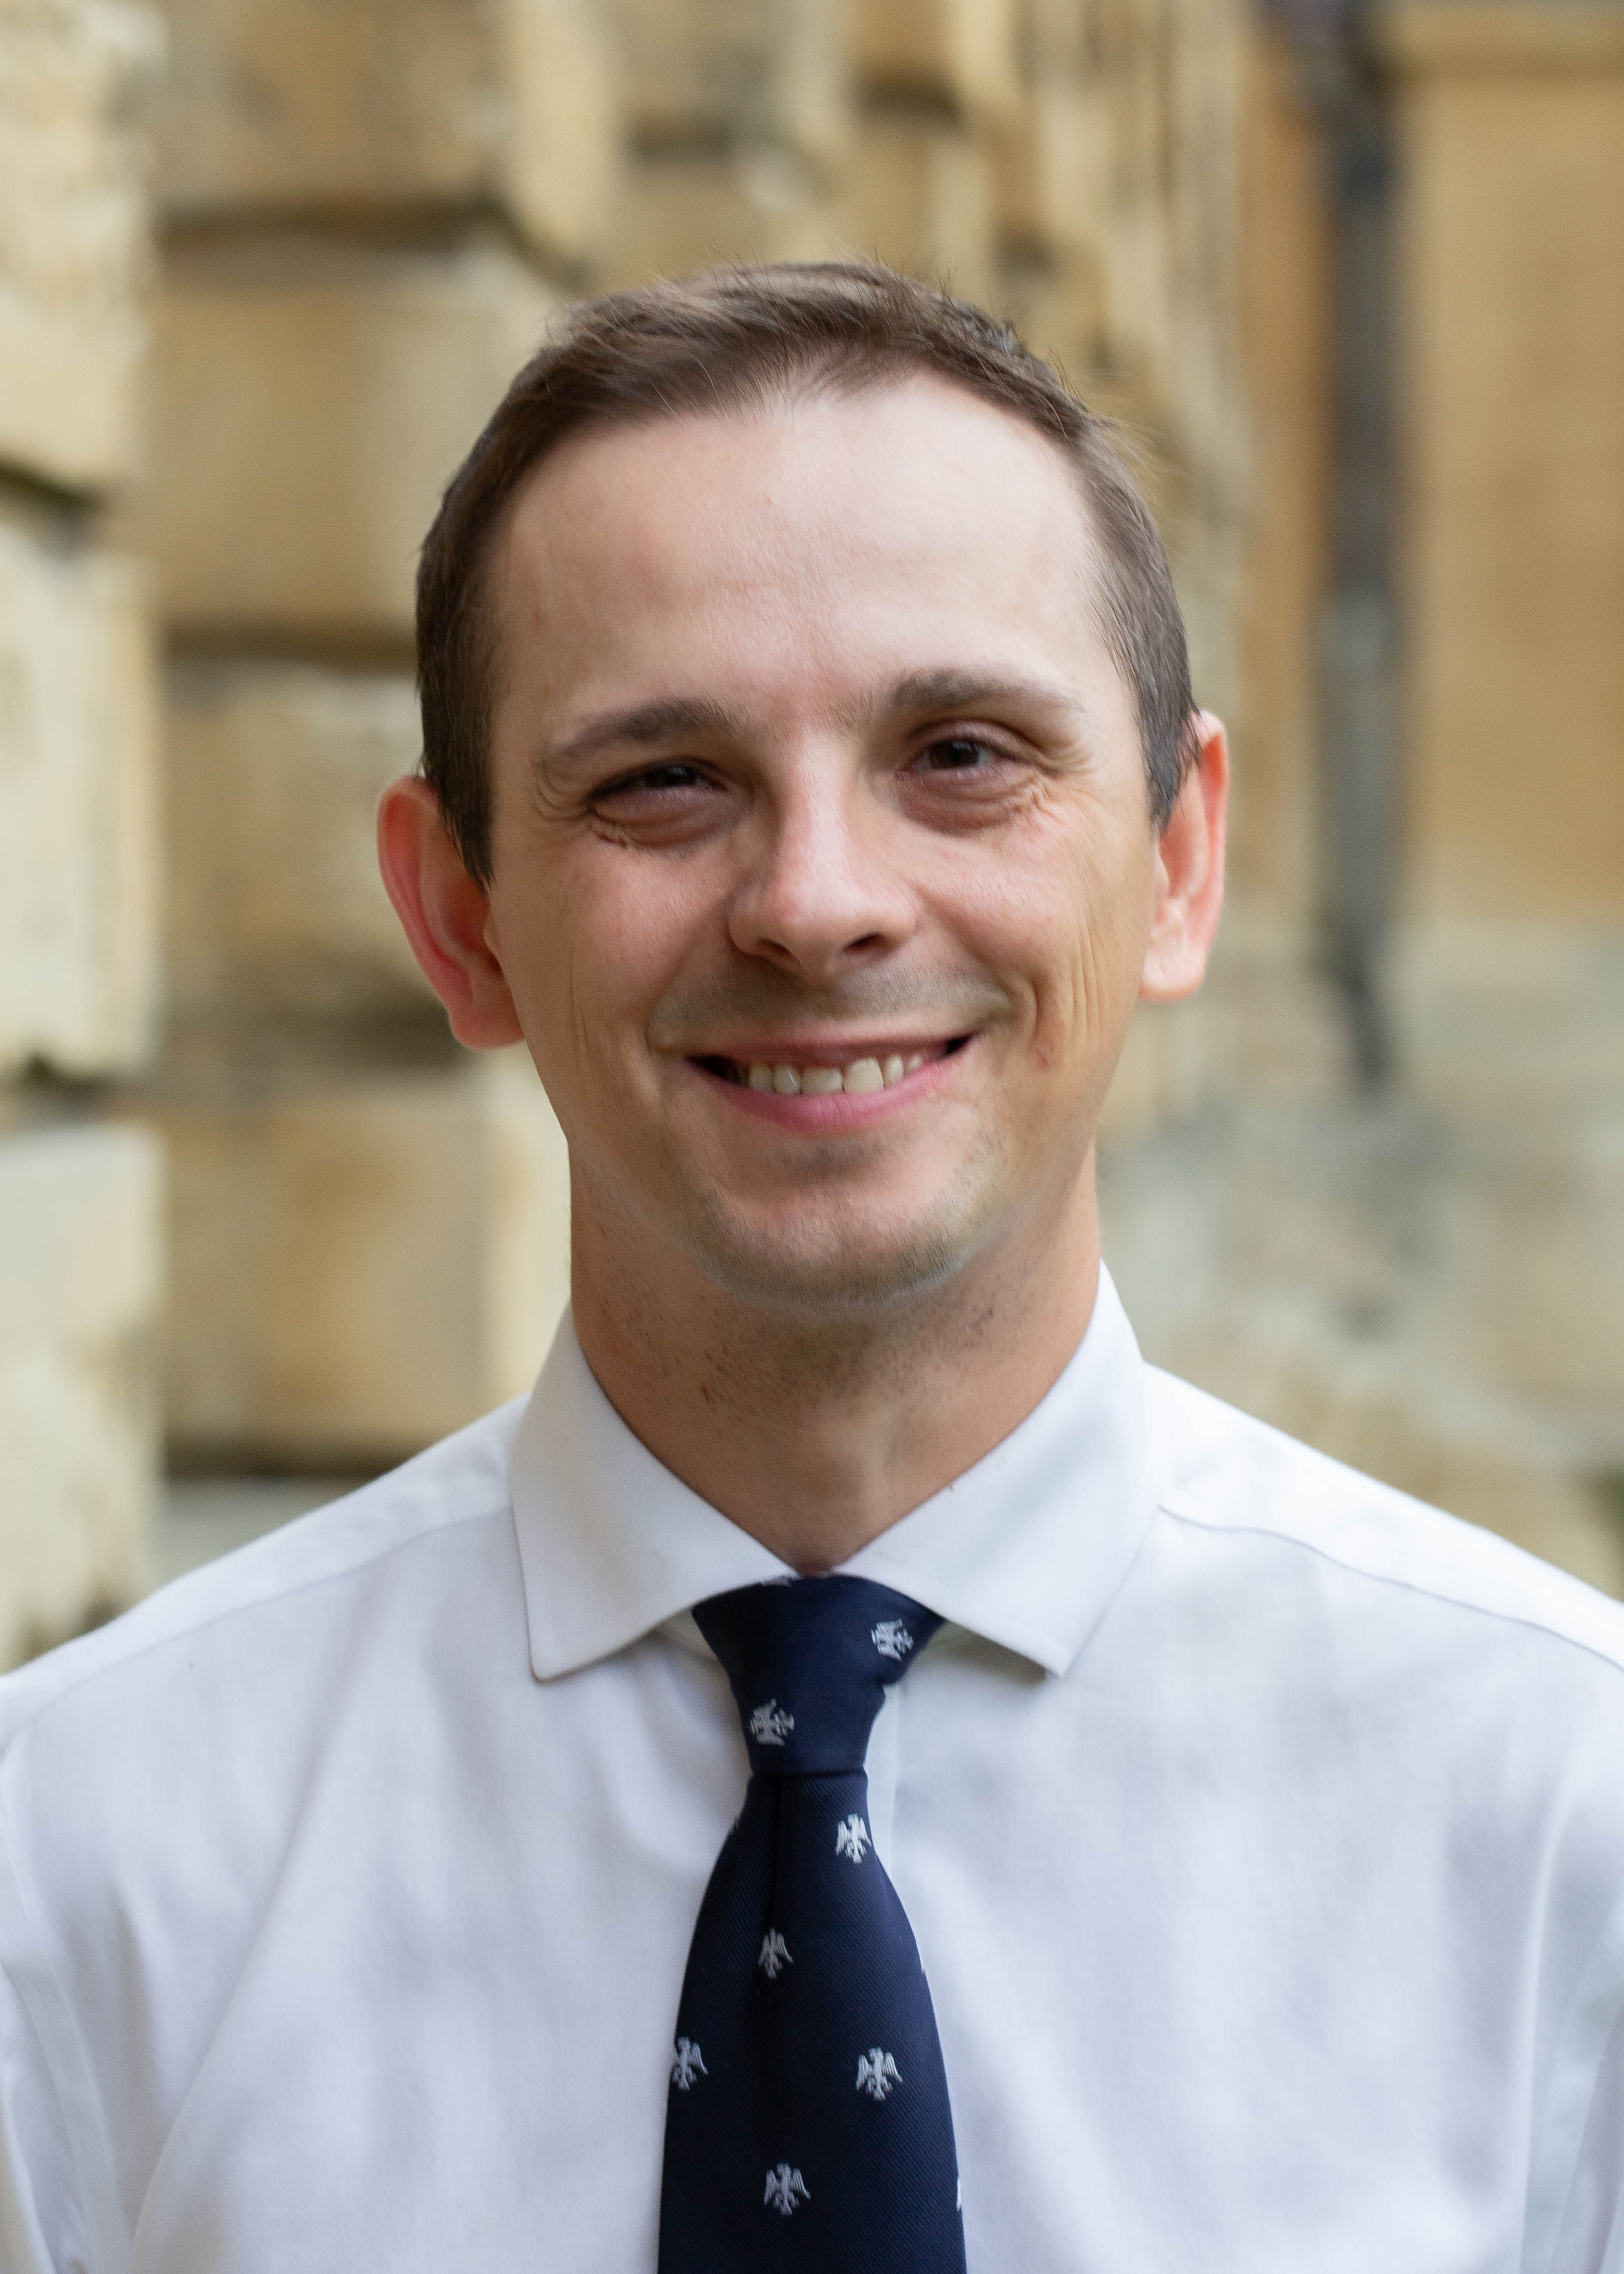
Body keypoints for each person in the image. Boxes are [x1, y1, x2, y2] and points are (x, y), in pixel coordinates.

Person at [2, 261, 1622, 2274]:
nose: (819, 904)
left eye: (959, 752)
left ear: (1180, 859)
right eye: (662, 781)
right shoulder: (74, 1871)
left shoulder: (1568, 1824)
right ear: (461, 918)